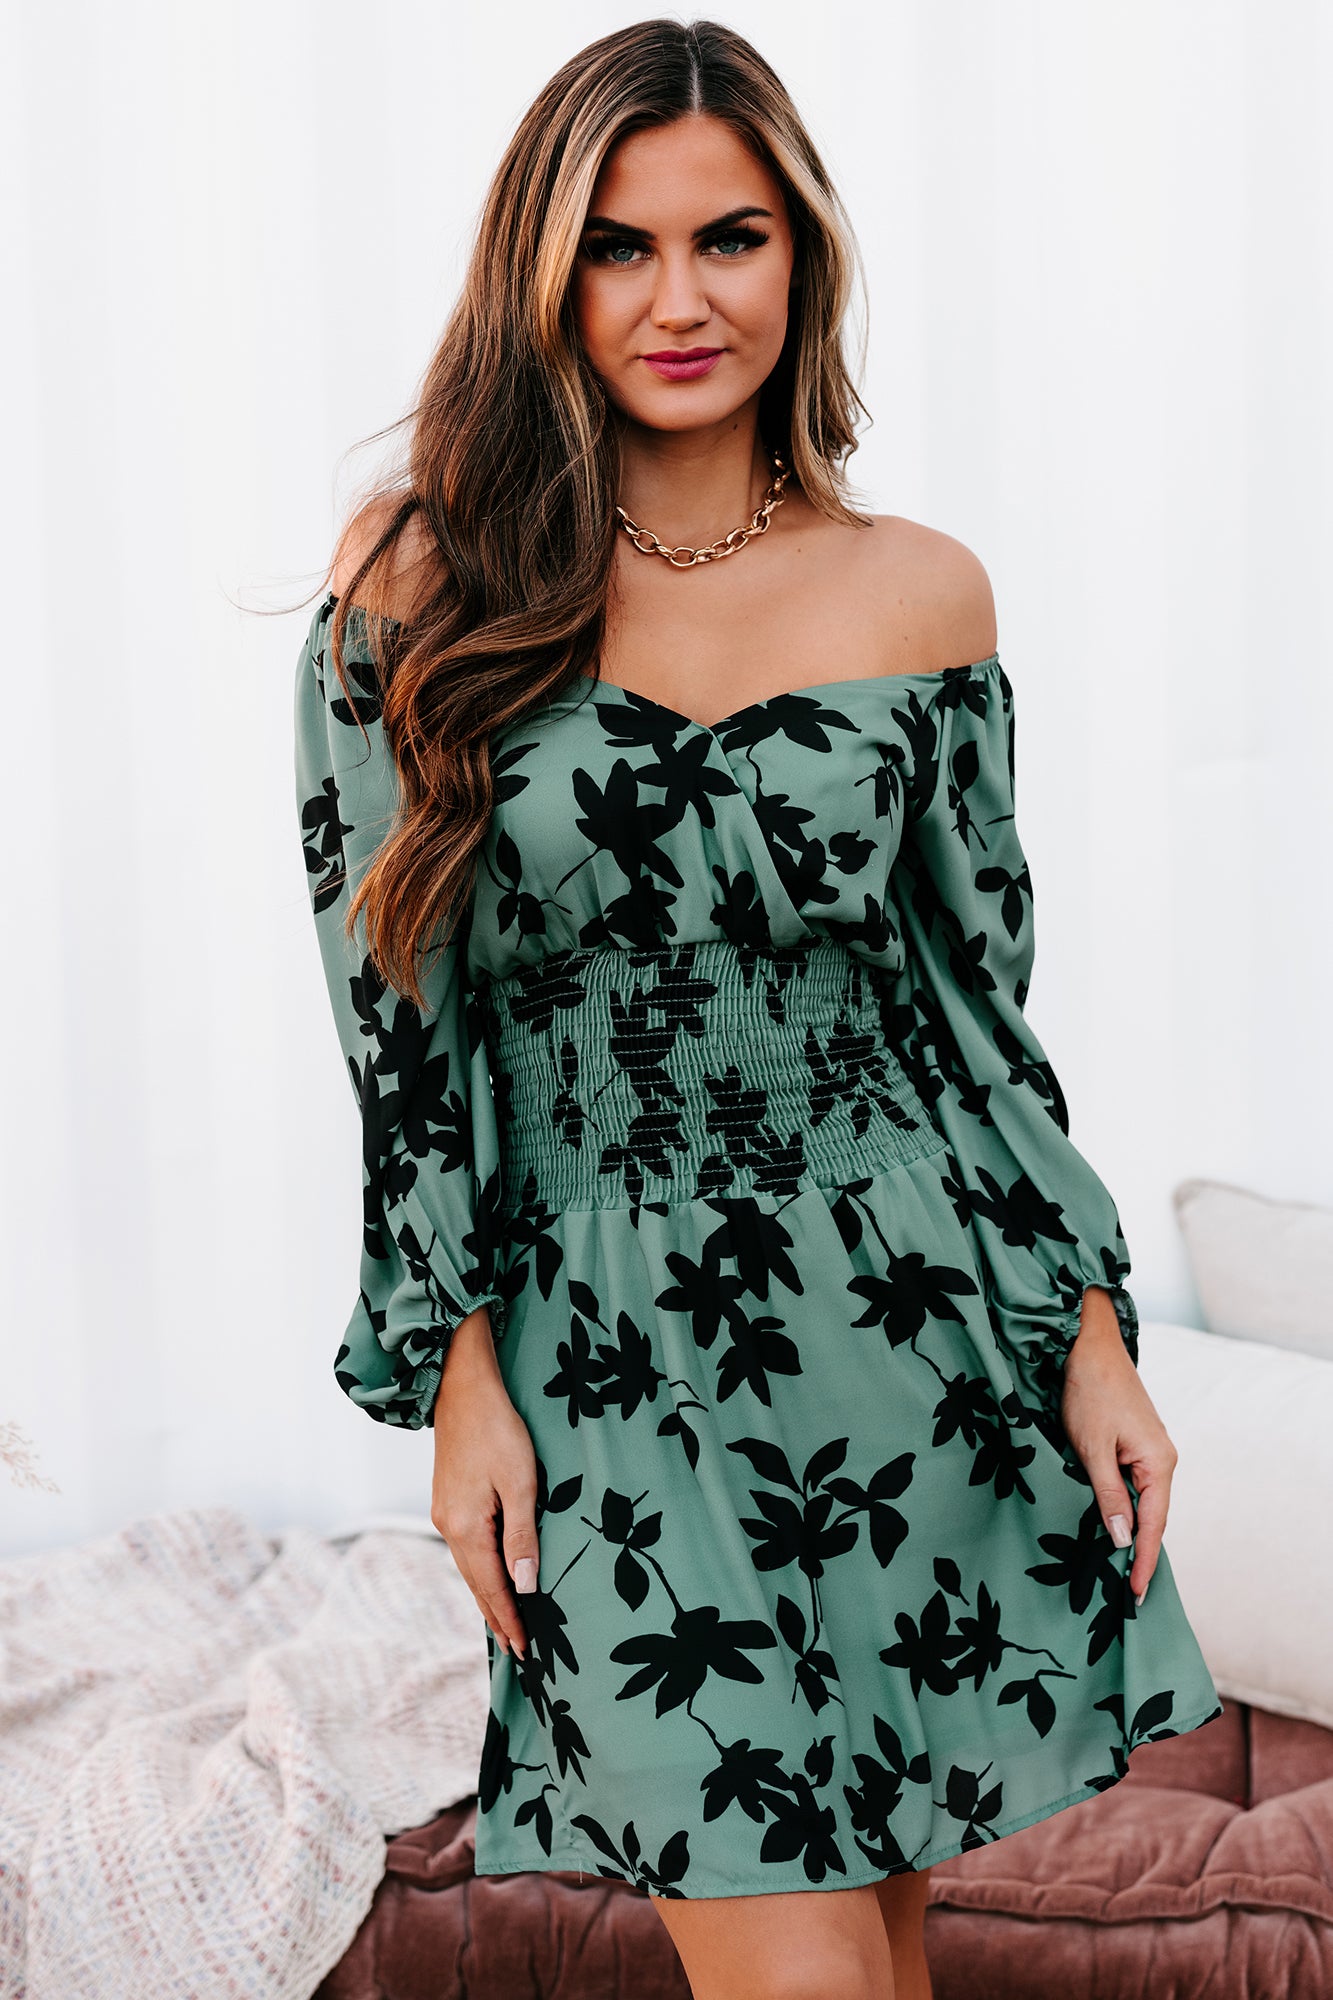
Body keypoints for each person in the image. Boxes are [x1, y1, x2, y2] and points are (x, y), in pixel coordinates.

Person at [293, 20, 1222, 1998]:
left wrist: (1084, 1327)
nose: (680, 299)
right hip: (604, 1349)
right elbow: (397, 1030)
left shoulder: (919, 592)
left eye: (729, 237)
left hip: (908, 1332)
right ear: (543, 272)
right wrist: (458, 1369)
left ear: (801, 253)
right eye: (618, 247)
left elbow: (973, 1019)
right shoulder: (419, 582)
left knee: (876, 1966)